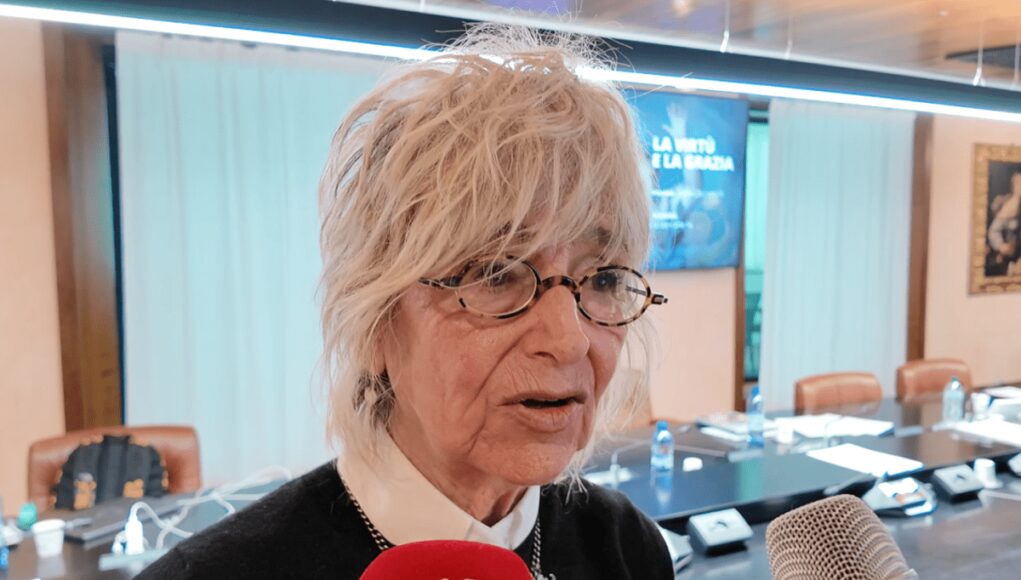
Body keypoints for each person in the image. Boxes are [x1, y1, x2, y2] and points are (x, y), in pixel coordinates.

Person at [141, 25, 672, 579]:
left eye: (602, 279)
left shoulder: (625, 548)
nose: (568, 341)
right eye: (495, 274)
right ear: (376, 321)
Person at [987, 170, 1021, 276]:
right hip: (1010, 256)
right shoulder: (1009, 205)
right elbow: (994, 231)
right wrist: (1001, 245)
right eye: (1018, 184)